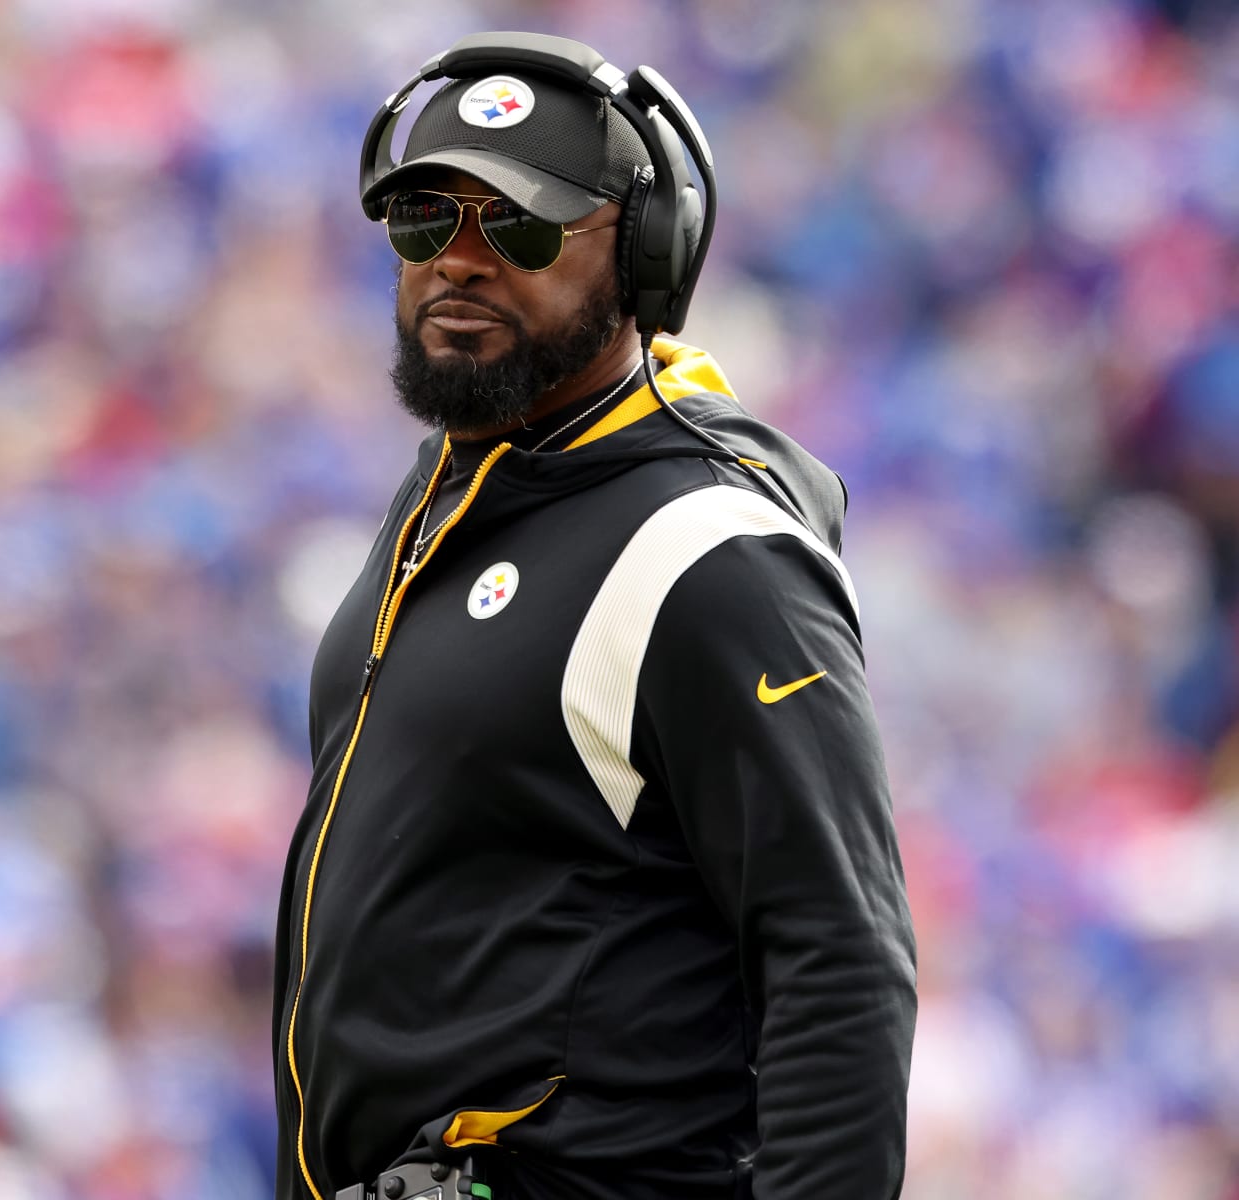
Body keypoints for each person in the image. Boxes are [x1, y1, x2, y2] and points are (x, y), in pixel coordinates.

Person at [271, 31, 917, 1200]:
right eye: (426, 221)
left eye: (515, 226)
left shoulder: (712, 554)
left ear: (645, 255)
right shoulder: (448, 488)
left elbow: (842, 967)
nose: (458, 264)